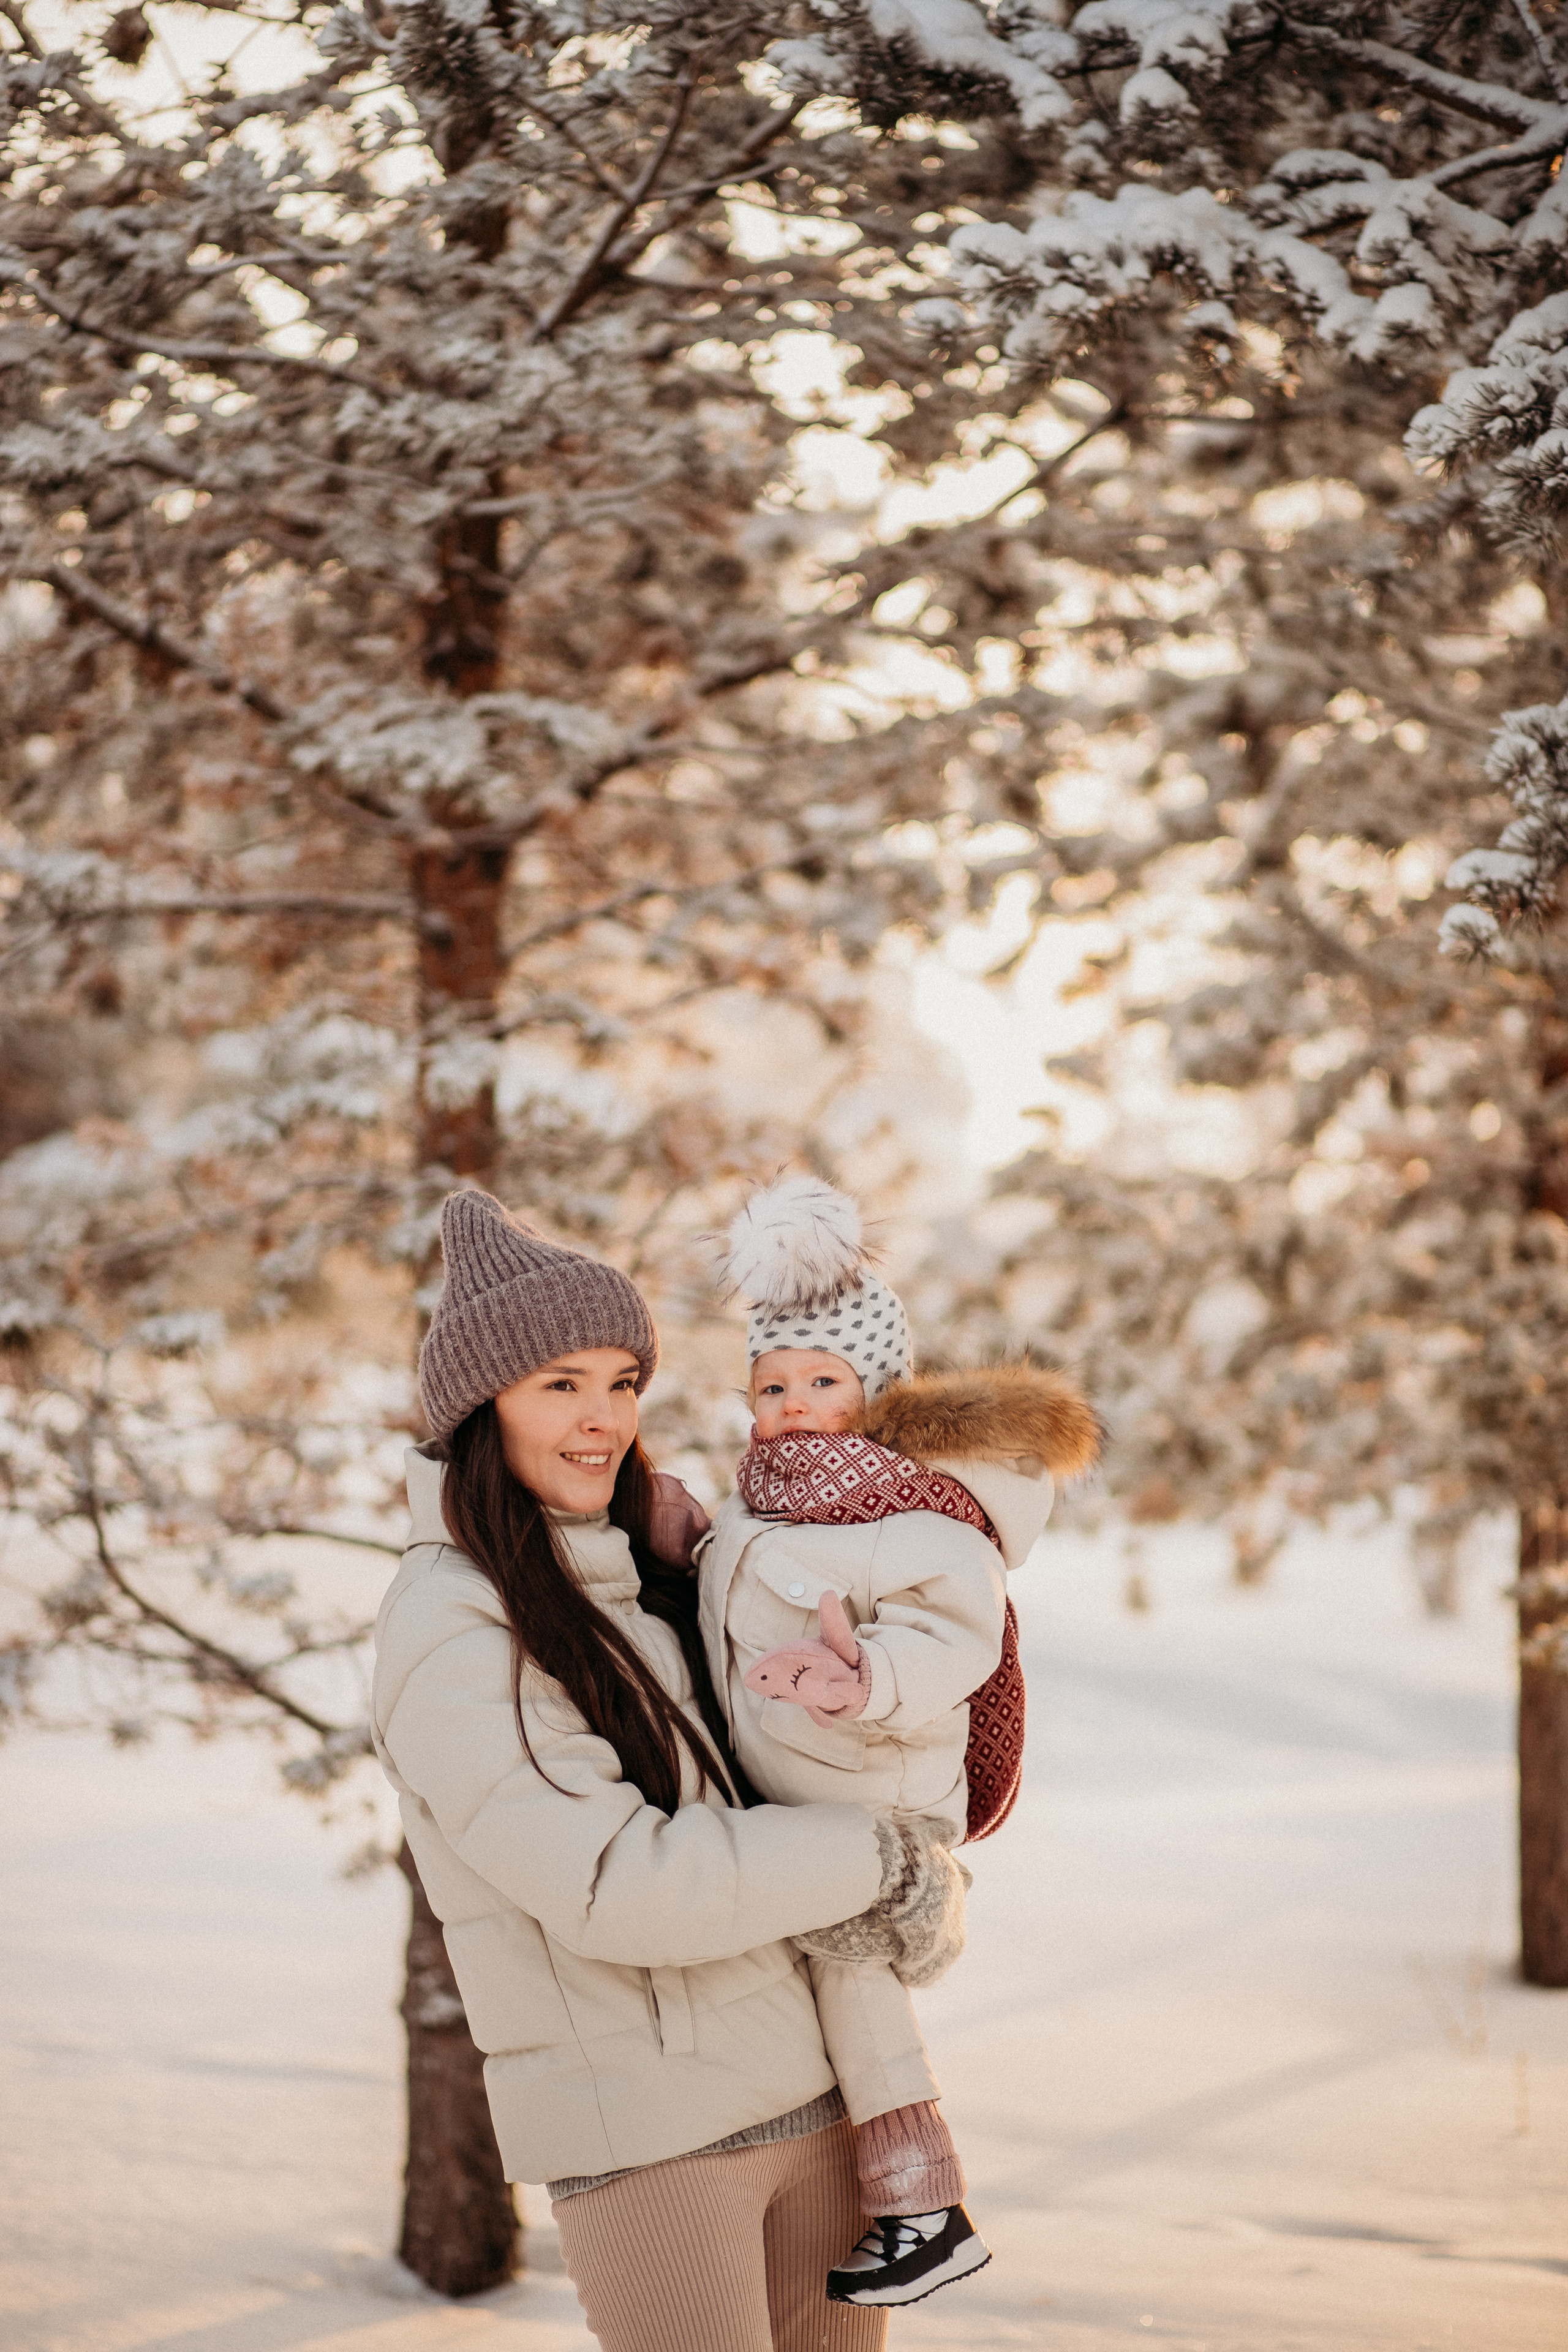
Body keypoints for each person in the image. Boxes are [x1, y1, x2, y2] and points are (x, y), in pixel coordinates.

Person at [371, 1188, 967, 2352]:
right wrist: (877, 1859)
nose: (601, 1419)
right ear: (477, 1407)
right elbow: (615, 1885)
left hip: (811, 2100)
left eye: (622, 1383)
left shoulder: (639, 1577)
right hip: (654, 2148)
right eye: (559, 1385)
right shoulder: (450, 1624)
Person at [698, 1175, 1099, 2309]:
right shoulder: (767, 1504)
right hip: (799, 1797)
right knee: (815, 1989)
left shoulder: (911, 1512)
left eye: (820, 1382)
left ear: (873, 1395)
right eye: (771, 1385)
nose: (791, 1404)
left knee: (854, 1980)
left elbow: (951, 1638)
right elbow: (747, 1596)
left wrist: (862, 1675)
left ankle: (926, 2205)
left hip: (871, 1801)